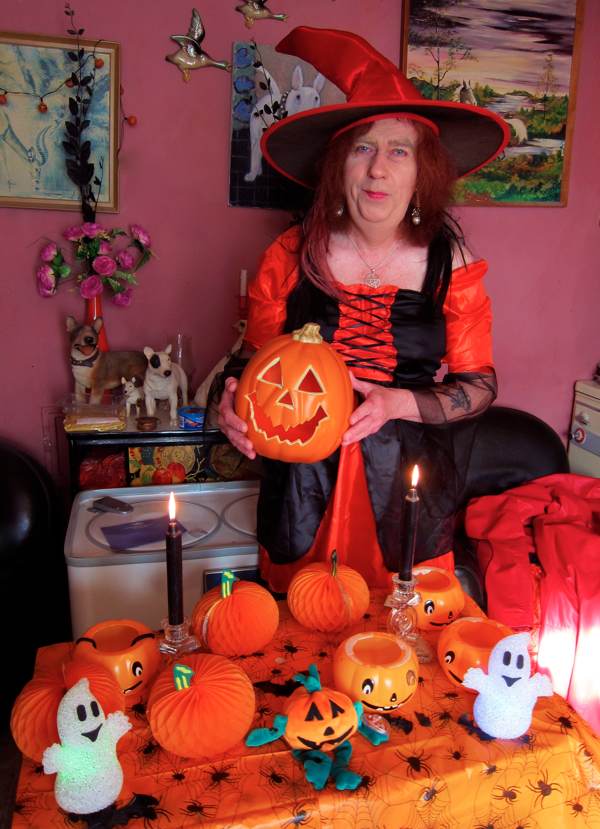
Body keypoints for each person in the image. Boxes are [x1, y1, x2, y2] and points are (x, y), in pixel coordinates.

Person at [217, 27, 510, 593]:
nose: (378, 169)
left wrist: (399, 402)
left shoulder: (454, 265)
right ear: (339, 166)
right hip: (300, 487)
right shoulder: (290, 254)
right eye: (363, 148)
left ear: (422, 173)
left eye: (399, 151)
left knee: (399, 633)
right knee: (301, 628)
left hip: (408, 490)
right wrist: (227, 405)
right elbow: (250, 367)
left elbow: (479, 387)